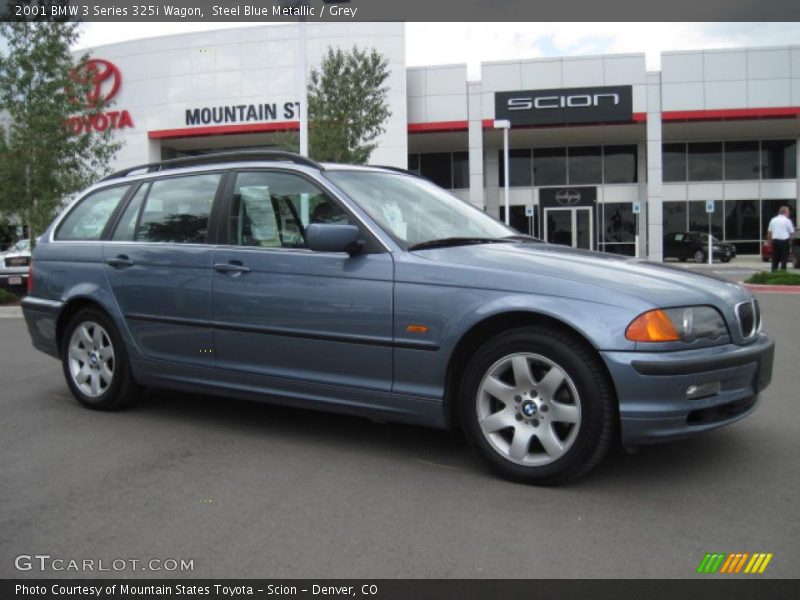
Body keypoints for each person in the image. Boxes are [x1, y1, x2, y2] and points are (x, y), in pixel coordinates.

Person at [767, 205, 795, 272]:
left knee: (775, 259)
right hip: (784, 242)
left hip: (775, 241)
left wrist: (769, 242)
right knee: (784, 259)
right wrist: (791, 242)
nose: (789, 213)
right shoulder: (787, 221)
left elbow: (769, 232)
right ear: (785, 212)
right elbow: (791, 233)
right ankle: (782, 273)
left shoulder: (773, 220)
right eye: (788, 211)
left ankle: (774, 273)